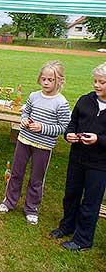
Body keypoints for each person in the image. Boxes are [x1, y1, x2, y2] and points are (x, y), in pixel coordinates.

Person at [0, 61, 71, 226]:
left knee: (36, 179)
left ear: (60, 81)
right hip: (24, 141)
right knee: (16, 173)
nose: (46, 82)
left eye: (50, 80)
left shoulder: (61, 103)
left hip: (43, 146)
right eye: (43, 79)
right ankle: (9, 201)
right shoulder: (33, 96)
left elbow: (63, 127)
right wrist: (23, 121)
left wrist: (43, 127)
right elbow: (26, 112)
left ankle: (31, 208)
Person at [50, 62, 106, 251]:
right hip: (77, 158)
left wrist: (98, 139)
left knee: (90, 202)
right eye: (95, 81)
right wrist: (69, 135)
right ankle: (66, 226)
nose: (97, 85)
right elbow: (72, 123)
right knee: (71, 195)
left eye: (102, 82)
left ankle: (83, 239)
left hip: (99, 164)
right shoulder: (85, 100)